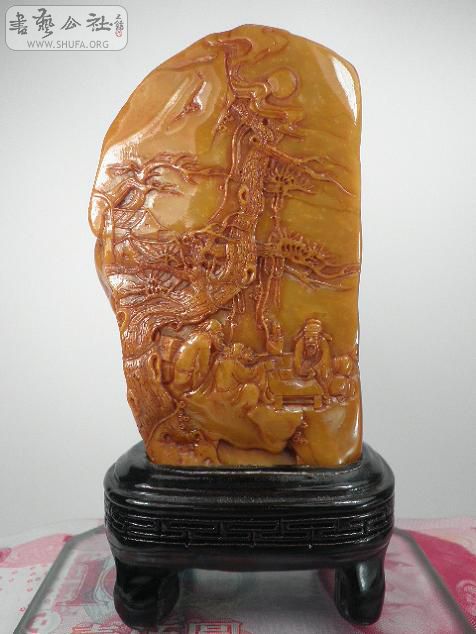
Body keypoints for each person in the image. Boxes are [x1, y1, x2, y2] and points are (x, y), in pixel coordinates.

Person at [293, 318, 333, 398]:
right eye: (308, 338)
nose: (310, 341)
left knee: (323, 376)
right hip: (306, 365)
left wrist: (315, 369)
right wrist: (302, 370)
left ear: (318, 337)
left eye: (314, 337)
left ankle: (325, 393)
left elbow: (325, 358)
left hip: (320, 365)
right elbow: (297, 360)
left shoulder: (323, 341)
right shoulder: (300, 342)